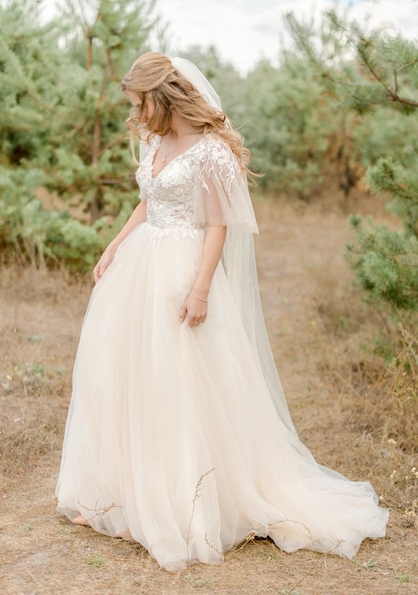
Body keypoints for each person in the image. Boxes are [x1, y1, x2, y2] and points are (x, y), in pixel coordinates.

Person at [55, 52, 388, 572]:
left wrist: (201, 288)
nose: (137, 114)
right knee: (130, 378)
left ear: (162, 98)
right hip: (141, 264)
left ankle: (189, 500)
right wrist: (115, 243)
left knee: (180, 381)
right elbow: (148, 201)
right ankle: (129, 497)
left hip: (183, 267)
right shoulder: (154, 140)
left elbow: (218, 225)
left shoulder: (211, 152)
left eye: (141, 103)